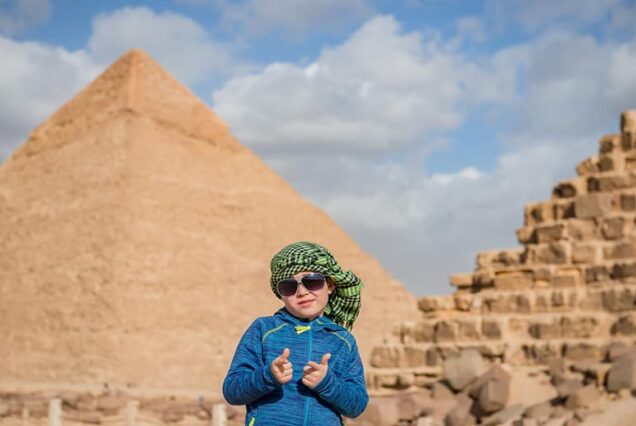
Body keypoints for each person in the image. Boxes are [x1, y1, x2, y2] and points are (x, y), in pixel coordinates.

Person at [222, 241, 369, 426]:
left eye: (312, 281)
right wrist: (267, 376)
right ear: (280, 294)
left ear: (330, 284)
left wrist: (327, 383)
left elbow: (357, 405)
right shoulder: (263, 330)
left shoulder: (342, 341)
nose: (301, 292)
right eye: (288, 286)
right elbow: (232, 391)